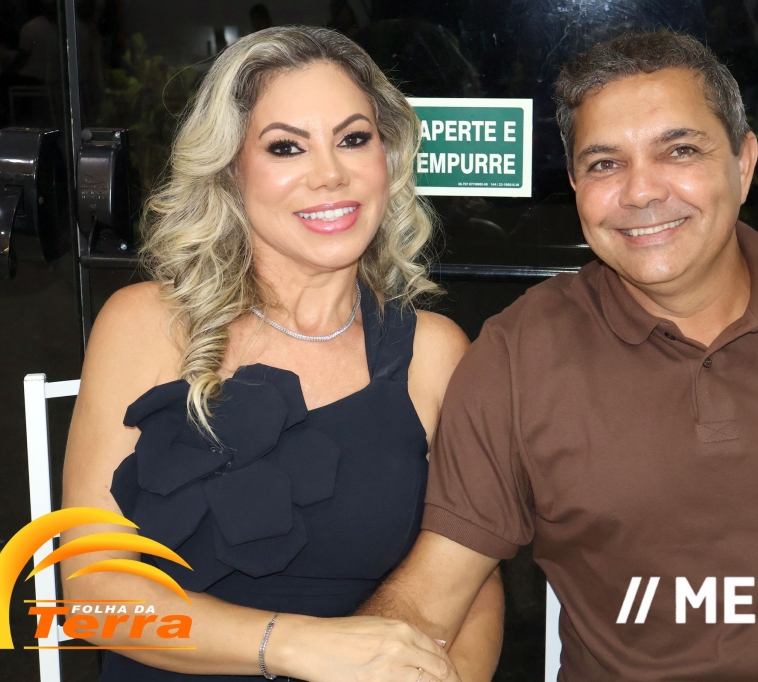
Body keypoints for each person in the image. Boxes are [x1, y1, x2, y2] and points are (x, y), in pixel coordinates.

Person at [359, 30, 758, 680]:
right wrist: (303, 646)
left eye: (680, 151)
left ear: (743, 164)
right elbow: (429, 600)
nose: (641, 192)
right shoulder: (519, 356)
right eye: (604, 164)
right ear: (574, 186)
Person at [60, 25, 502, 682]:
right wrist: (292, 645)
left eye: (354, 139)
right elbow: (93, 597)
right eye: (286, 147)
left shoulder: (433, 353)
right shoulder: (146, 325)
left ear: (387, 157)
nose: (330, 175)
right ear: (230, 171)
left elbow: (472, 581)